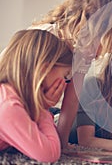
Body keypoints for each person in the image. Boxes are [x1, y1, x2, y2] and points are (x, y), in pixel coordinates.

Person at [30, 0, 112, 149]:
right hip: (13, 105)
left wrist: (62, 143)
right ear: (84, 26)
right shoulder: (45, 38)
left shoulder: (82, 54)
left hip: (38, 111)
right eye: (103, 43)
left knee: (51, 144)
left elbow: (72, 100)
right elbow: (19, 91)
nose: (102, 54)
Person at [0, 29, 73, 162]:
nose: (65, 83)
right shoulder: (9, 106)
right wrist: (42, 110)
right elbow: (50, 153)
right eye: (65, 76)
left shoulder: (13, 96)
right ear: (44, 69)